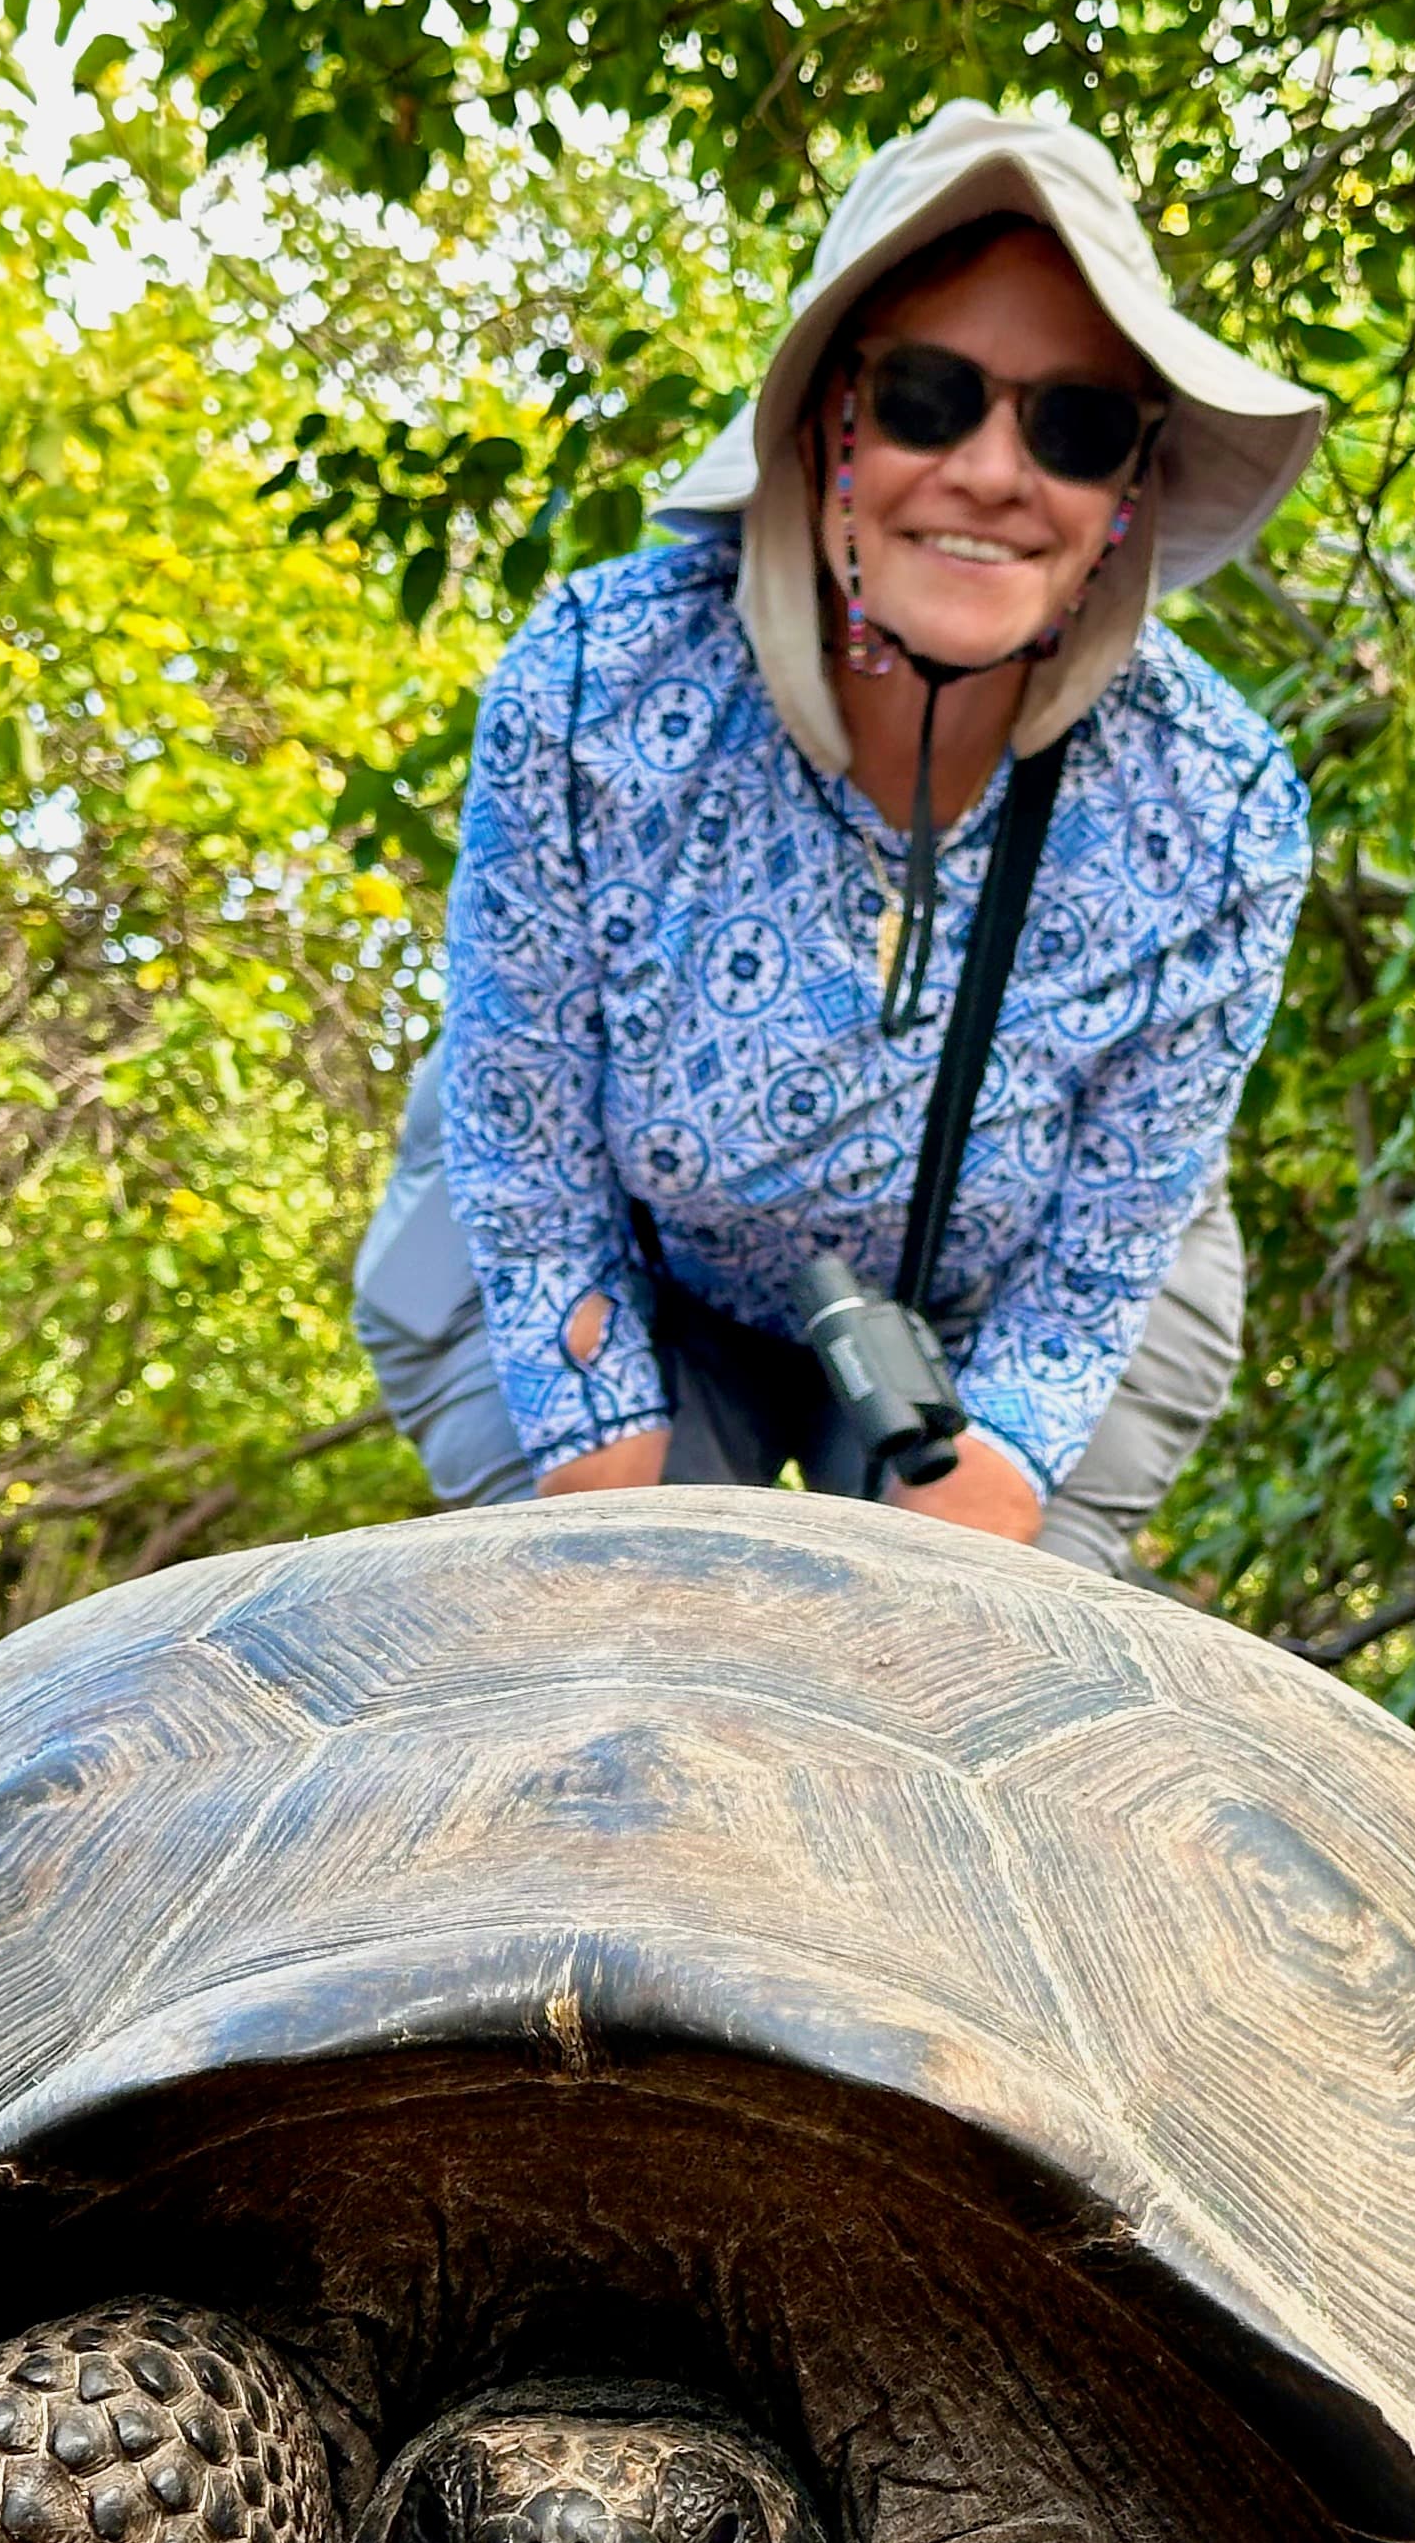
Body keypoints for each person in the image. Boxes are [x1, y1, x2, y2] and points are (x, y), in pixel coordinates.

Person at [353, 100, 1322, 1574]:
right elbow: (527, 1128)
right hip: (617, 1246)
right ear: (830, 423)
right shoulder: (593, 685)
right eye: (933, 396)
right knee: (622, 1620)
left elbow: (1105, 1249)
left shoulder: (1222, 811)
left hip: (1019, 1289)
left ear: (1126, 492)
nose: (997, 472)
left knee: (976, 1625)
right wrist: (600, 1456)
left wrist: (993, 1474)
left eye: (1071, 425)